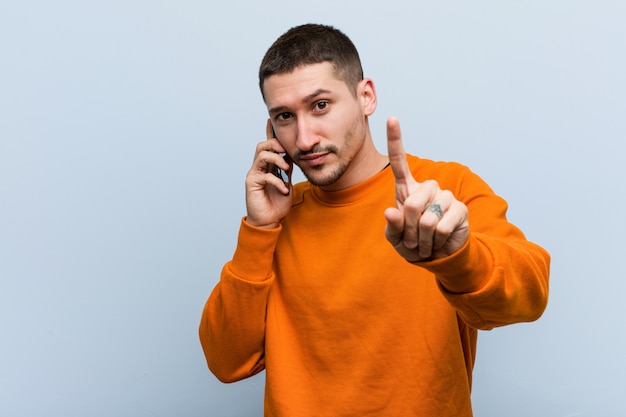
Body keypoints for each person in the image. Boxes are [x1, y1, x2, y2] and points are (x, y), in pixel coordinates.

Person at [199, 23, 550, 417]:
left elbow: (530, 296)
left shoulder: (442, 192)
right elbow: (226, 362)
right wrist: (259, 231)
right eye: (284, 116)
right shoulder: (275, 220)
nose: (304, 139)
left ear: (365, 96)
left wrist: (459, 256)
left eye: (320, 106)